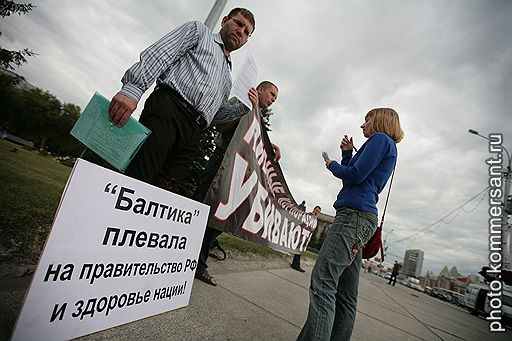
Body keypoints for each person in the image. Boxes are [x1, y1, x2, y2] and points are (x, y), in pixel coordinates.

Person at [107, 8, 257, 193]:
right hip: (170, 110)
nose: (241, 32)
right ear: (224, 20)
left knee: (162, 190)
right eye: (238, 23)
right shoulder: (199, 32)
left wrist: (243, 107)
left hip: (195, 133)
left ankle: (133, 222)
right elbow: (162, 53)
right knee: (138, 177)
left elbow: (214, 114)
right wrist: (133, 89)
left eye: (246, 32)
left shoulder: (228, 77)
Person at [297, 108, 404, 341]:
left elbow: (354, 175)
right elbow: (357, 175)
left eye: (367, 119)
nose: (362, 125)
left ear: (380, 120)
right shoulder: (388, 146)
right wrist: (347, 154)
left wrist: (332, 164)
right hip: (363, 219)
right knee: (345, 294)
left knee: (323, 281)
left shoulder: (379, 139)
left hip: (352, 217)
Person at [194, 81, 280, 286]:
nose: (273, 100)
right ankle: (194, 260)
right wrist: (245, 109)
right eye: (272, 94)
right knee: (203, 207)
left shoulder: (258, 115)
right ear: (260, 90)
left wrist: (271, 145)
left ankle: (198, 257)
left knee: (223, 216)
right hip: (222, 161)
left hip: (238, 169)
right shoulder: (242, 100)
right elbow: (221, 125)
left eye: (276, 99)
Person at [291, 204, 321, 273]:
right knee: (299, 249)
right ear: (314, 209)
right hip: (303, 234)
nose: (317, 212)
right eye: (316, 210)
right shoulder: (309, 215)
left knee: (301, 250)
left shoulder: (315, 220)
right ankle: (295, 264)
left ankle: (296, 263)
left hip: (307, 236)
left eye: (318, 211)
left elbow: (312, 229)